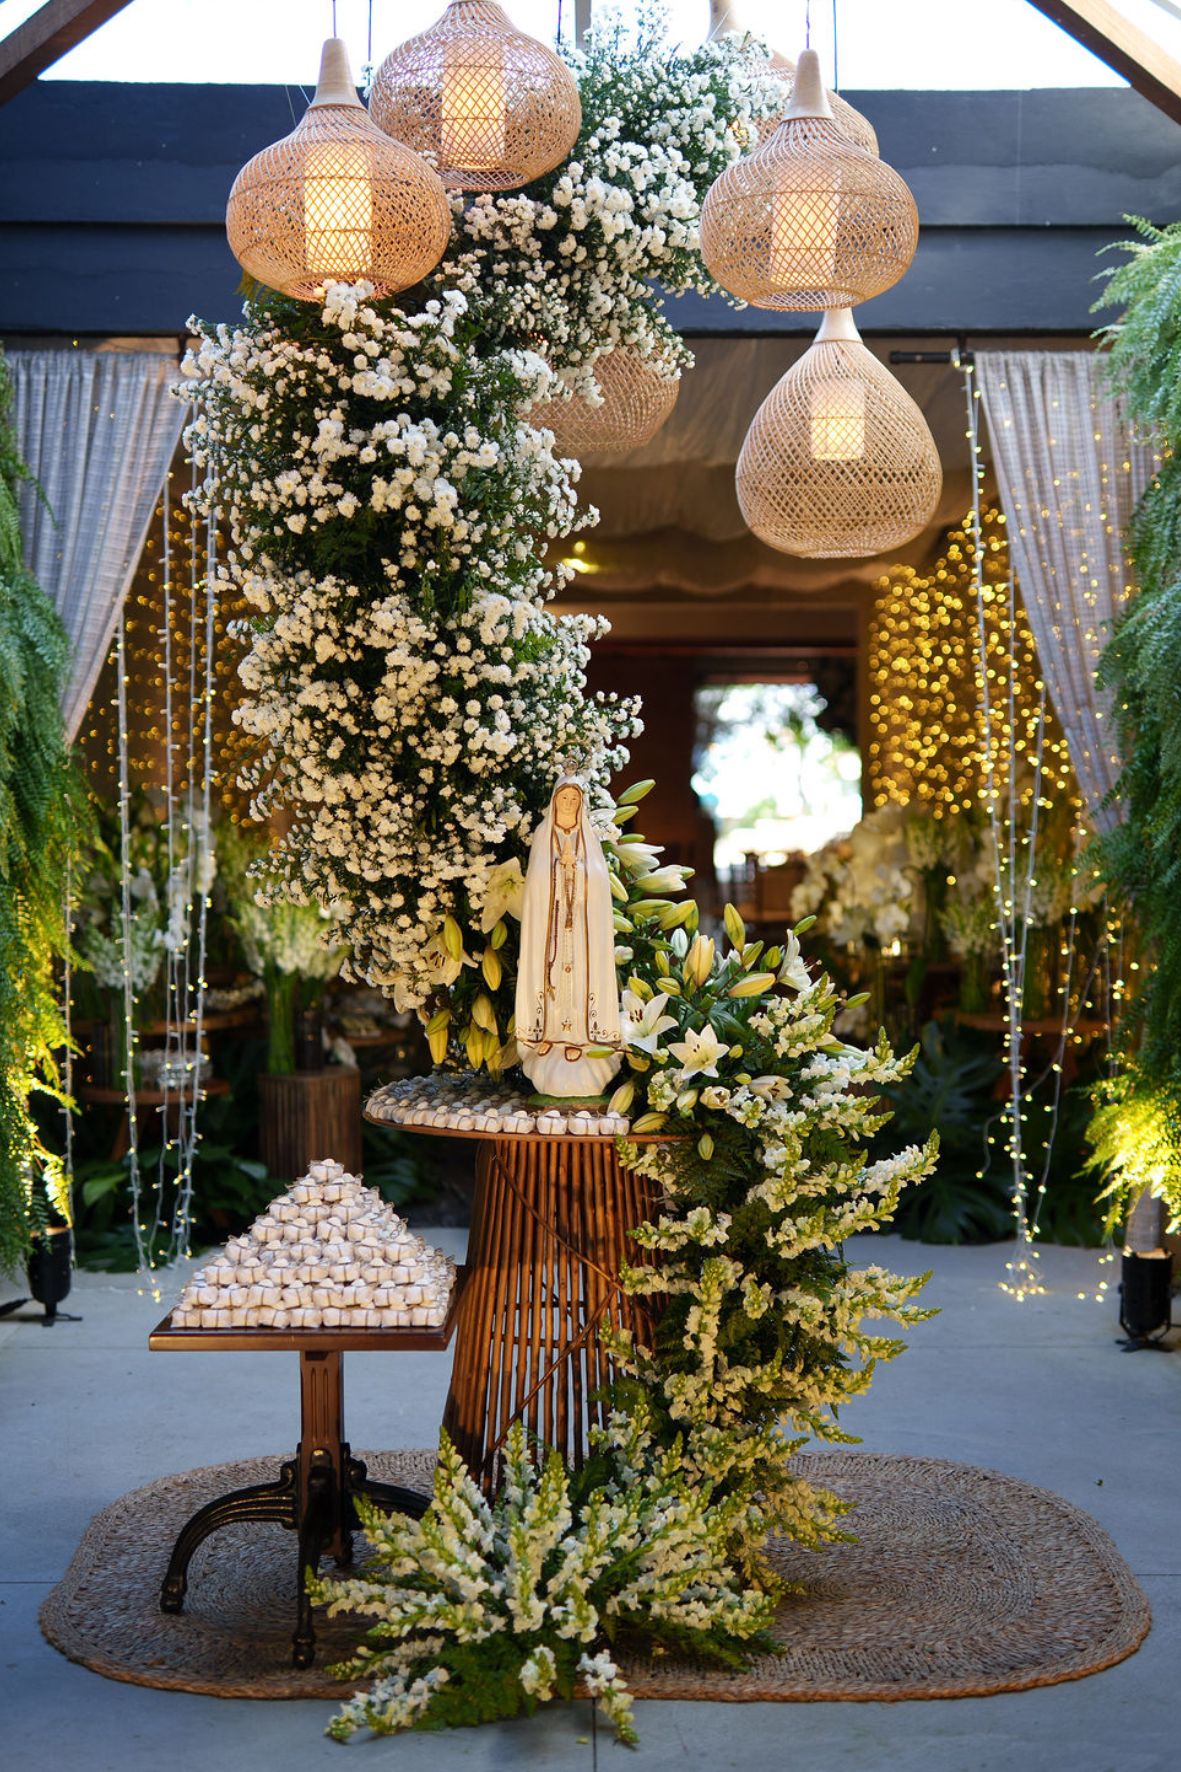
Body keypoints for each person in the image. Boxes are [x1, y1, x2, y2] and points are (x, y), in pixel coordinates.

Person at [515, 776, 622, 1099]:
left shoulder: (587, 839)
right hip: (550, 928)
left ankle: (579, 1039)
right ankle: (548, 1036)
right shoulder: (543, 836)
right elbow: (536, 883)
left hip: (581, 931)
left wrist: (577, 870)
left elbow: (599, 885)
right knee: (549, 980)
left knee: (580, 983)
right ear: (554, 801)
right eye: (564, 798)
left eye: (574, 800)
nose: (569, 803)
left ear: (581, 804)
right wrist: (558, 871)